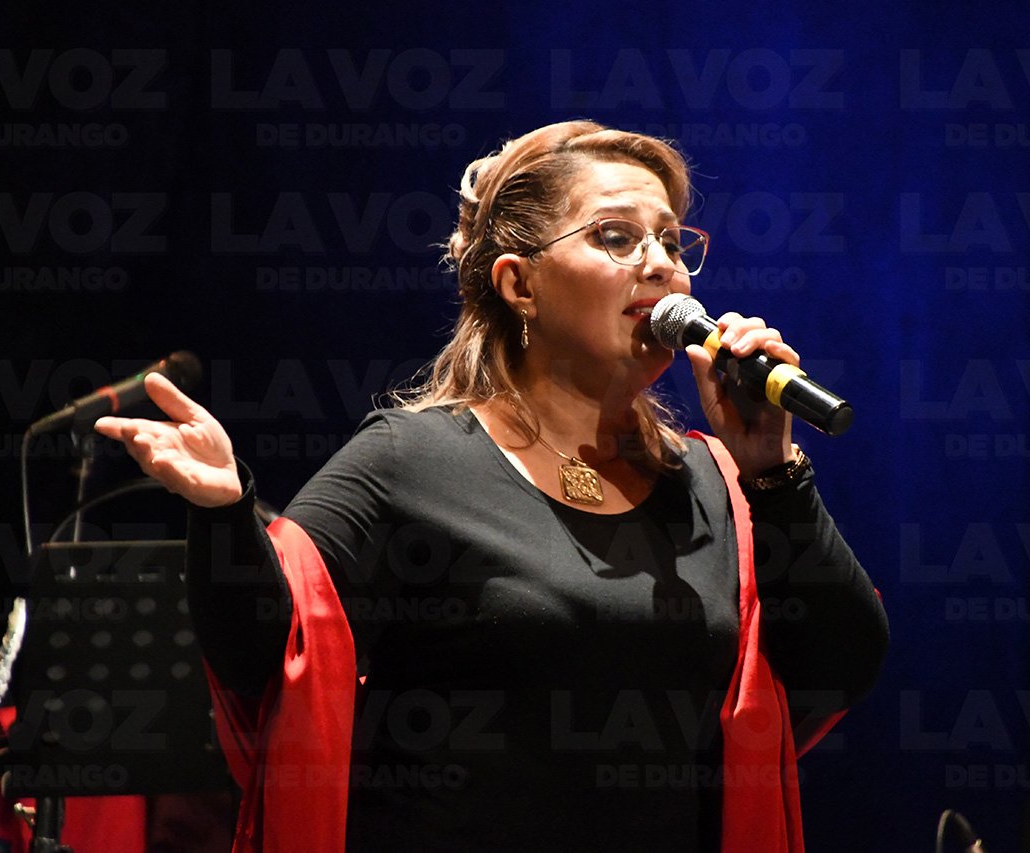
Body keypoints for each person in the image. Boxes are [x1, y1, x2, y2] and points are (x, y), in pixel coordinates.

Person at [95, 120, 889, 852]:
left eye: (672, 241)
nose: (660, 264)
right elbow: (267, 660)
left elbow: (842, 661)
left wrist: (773, 471)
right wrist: (224, 510)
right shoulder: (412, 460)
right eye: (617, 236)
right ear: (520, 285)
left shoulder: (717, 483)